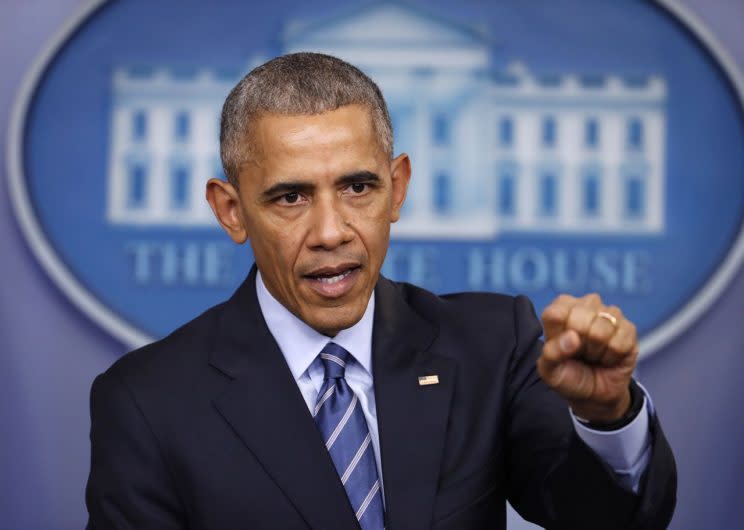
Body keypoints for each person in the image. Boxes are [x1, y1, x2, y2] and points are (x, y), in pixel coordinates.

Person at [85, 52, 676, 530]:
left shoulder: (493, 344)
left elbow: (603, 517)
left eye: (358, 187)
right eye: (290, 197)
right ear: (231, 211)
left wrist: (606, 417)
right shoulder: (147, 403)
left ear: (397, 189)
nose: (331, 231)